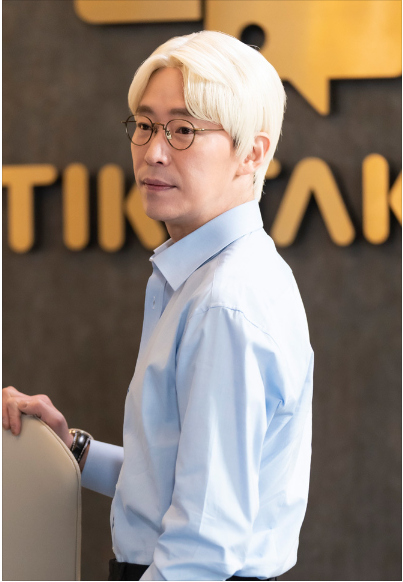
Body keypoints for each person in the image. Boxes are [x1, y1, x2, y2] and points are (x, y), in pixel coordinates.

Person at [3, 30, 314, 581]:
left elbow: (202, 547)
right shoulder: (209, 277)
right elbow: (184, 481)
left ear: (252, 152)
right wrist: (73, 450)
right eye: (145, 125)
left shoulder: (224, 301)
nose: (153, 151)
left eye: (184, 130)